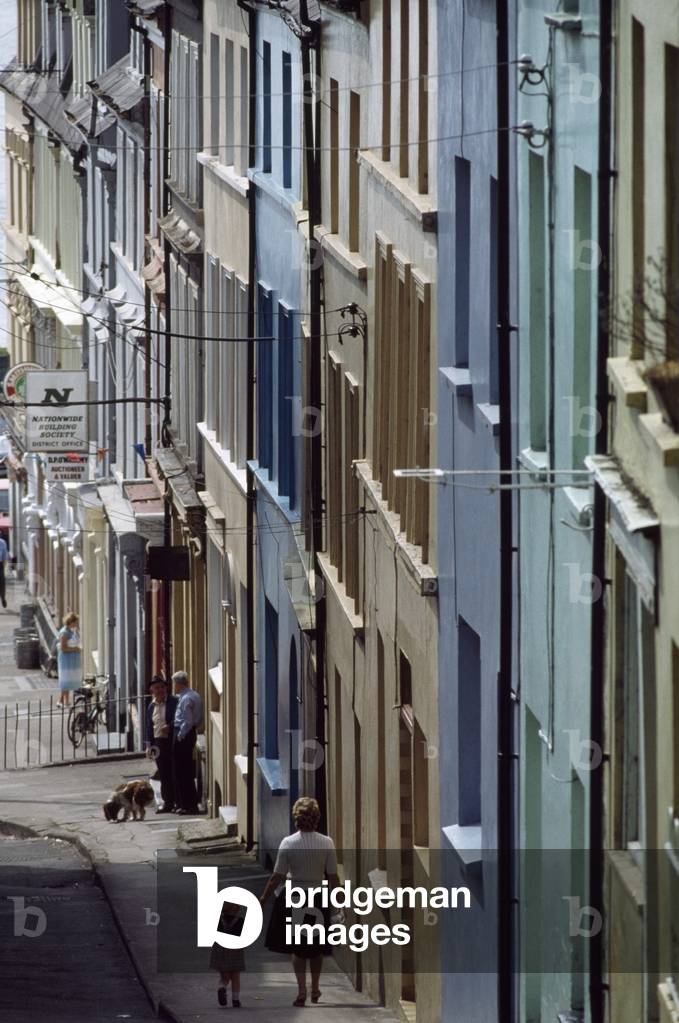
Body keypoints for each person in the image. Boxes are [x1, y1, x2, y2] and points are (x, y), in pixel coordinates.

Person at [259, 796, 339, 1007]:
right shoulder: (327, 842)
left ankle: (301, 990)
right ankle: (315, 987)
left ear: (296, 818)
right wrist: (339, 901)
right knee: (316, 947)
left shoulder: (288, 842)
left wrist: (264, 897)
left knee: (298, 947)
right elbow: (333, 877)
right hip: (318, 897)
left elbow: (277, 875)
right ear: (317, 818)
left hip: (294, 896)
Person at [171, 670, 204, 815]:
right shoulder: (194, 695)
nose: (173, 686)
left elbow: (188, 721)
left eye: (174, 683)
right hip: (190, 734)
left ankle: (187, 804)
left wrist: (180, 735)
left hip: (183, 735)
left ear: (178, 684)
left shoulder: (185, 699)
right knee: (185, 769)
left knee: (181, 770)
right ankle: (187, 803)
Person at [145, 675, 177, 813]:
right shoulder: (151, 706)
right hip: (158, 743)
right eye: (157, 688)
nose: (160, 690)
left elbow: (179, 718)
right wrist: (148, 746)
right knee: (163, 773)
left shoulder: (174, 702)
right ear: (151, 690)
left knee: (174, 771)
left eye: (162, 687)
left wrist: (170, 726)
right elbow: (148, 727)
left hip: (172, 741)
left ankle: (177, 801)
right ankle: (167, 803)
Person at [209, 901, 246, 1008]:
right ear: (236, 909)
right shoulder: (240, 921)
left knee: (224, 977)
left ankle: (222, 987)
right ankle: (235, 1000)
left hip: (220, 950)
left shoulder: (217, 921)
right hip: (236, 950)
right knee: (235, 976)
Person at [56, 612, 82, 708]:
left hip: (72, 659)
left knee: (69, 679)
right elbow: (63, 648)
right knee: (66, 680)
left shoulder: (71, 631)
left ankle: (64, 701)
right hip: (66, 660)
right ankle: (63, 701)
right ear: (71, 622)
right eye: (76, 622)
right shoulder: (64, 633)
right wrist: (75, 649)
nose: (77, 623)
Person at [0, 534, 8, 608]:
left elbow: (5, 556)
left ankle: (3, 598)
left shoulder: (2, 543)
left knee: (2, 582)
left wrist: (4, 567)